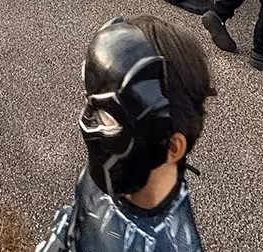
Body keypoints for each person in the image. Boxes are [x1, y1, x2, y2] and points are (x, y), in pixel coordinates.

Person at [38, 15, 212, 252]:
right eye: (91, 105)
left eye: (107, 116)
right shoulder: (109, 173)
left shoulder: (172, 244)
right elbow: (79, 217)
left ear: (171, 147)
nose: (88, 121)